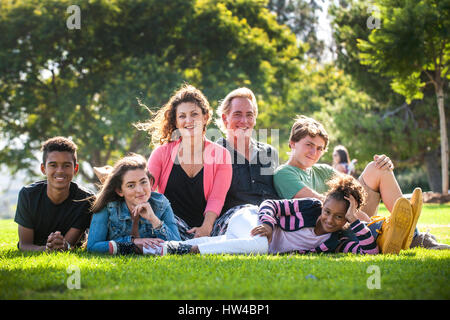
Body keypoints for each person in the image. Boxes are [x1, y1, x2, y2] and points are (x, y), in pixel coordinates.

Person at [274, 115, 448, 250]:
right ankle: (394, 231)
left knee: (377, 167)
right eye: (309, 145)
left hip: (350, 217)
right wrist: (357, 215)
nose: (314, 152)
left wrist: (384, 167)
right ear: (292, 143)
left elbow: (355, 188)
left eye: (319, 148)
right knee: (342, 211)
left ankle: (410, 229)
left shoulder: (323, 170)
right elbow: (318, 203)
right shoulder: (284, 173)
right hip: (329, 228)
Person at [147, 175, 413, 256]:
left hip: (246, 240)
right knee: (261, 244)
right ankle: (192, 252)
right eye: (328, 211)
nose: (330, 220)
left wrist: (355, 221)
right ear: (323, 205)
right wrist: (267, 224)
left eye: (340, 218)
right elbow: (270, 205)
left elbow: (369, 253)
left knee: (254, 246)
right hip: (247, 218)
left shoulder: (338, 239)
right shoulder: (310, 206)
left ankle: (164, 248)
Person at [136, 84, 232, 240]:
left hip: (208, 227)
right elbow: (147, 191)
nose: (188, 120)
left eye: (194, 114)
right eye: (182, 116)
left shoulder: (221, 155)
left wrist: (206, 228)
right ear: (175, 121)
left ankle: (199, 243)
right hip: (169, 225)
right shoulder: (161, 153)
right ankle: (192, 244)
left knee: (244, 211)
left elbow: (217, 198)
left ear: (205, 117)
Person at [210, 87, 280, 236]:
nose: (244, 121)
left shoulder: (269, 152)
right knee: (254, 230)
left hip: (270, 218)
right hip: (235, 219)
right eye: (237, 115)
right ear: (225, 118)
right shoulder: (214, 152)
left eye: (249, 115)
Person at [86, 154, 180, 255]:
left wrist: (154, 220)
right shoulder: (108, 206)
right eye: (131, 185)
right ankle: (107, 173)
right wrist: (132, 242)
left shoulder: (161, 203)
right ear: (119, 191)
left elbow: (179, 244)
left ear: (150, 182)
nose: (139, 190)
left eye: (143, 182)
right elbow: (93, 246)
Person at [14, 137, 93, 252]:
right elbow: (24, 245)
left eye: (66, 165)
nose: (60, 170)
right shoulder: (28, 195)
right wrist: (45, 249)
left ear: (75, 168)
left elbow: (67, 246)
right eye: (53, 165)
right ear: (43, 168)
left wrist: (61, 246)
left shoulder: (85, 199)